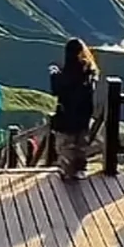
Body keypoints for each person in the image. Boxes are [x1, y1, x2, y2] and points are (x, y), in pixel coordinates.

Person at [48, 38, 99, 180]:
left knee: (65, 144)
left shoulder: (68, 73)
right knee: (81, 143)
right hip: (84, 113)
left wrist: (53, 73)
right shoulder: (90, 71)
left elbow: (57, 90)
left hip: (67, 113)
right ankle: (80, 169)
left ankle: (67, 170)